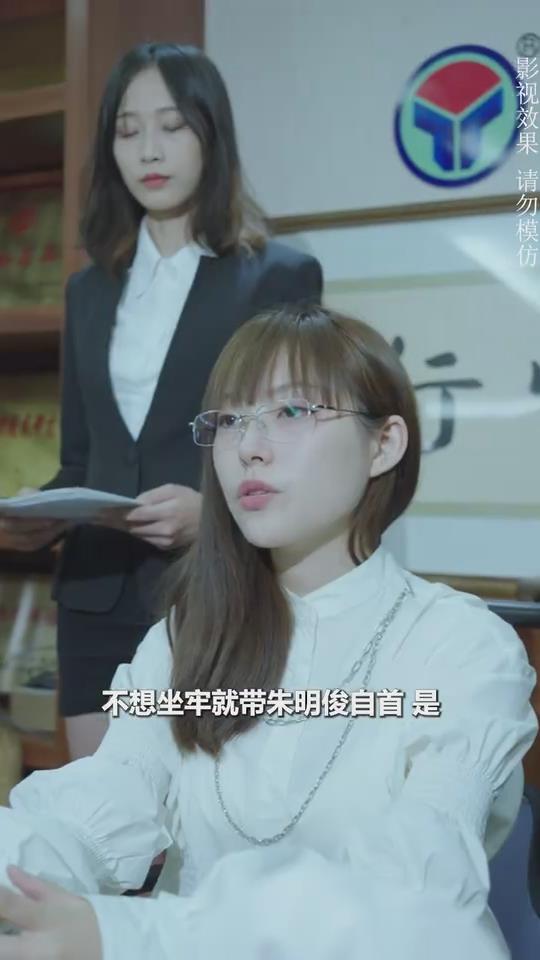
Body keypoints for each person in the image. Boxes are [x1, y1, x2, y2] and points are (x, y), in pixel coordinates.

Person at [0, 303, 537, 959]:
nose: (248, 447)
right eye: (229, 420)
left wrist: (128, 934)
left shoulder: (463, 647)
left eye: (292, 410)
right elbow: (94, 810)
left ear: (384, 444)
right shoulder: (184, 637)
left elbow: (411, 896)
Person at [0, 43, 322, 760]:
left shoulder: (277, 277)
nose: (149, 149)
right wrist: (36, 517)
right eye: (128, 130)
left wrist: (213, 515)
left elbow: (302, 453)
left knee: (208, 817)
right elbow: (82, 457)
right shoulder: (89, 291)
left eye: (172, 126)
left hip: (214, 589)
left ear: (212, 134)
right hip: (96, 591)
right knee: (104, 820)